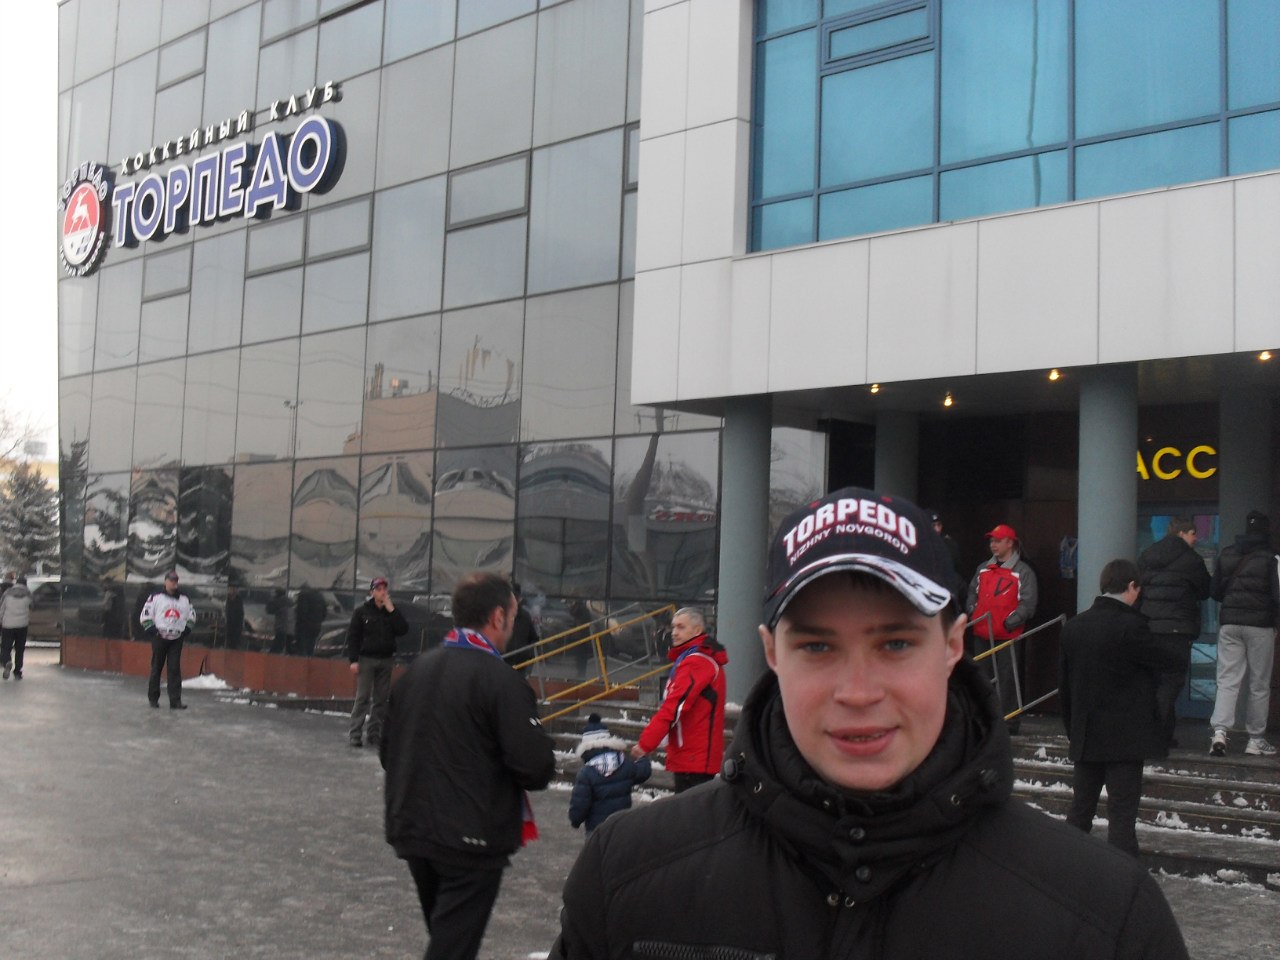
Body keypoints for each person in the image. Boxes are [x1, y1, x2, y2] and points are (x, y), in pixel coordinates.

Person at [552, 487, 1188, 960]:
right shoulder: (629, 877)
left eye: (896, 644)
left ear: (953, 645)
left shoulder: (1105, 916)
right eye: (817, 646)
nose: (858, 693)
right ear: (771, 652)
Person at [381, 572, 555, 960]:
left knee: (448, 940)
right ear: (498, 617)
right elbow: (535, 767)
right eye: (513, 616)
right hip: (470, 839)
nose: (513, 626)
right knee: (452, 948)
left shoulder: (416, 672)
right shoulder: (501, 680)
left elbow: (387, 751)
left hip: (413, 828)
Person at [1060, 559, 1182, 857]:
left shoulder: (1073, 627)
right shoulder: (1132, 627)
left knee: (1080, 810)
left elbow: (1065, 687)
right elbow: (1171, 661)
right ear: (1131, 587)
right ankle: (1123, 875)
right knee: (1122, 815)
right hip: (1126, 739)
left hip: (1086, 735)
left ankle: (1065, 867)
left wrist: (1073, 730)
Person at [630, 607, 728, 793]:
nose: (674, 632)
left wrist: (646, 743)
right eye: (673, 627)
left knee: (692, 810)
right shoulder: (692, 659)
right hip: (692, 756)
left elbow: (674, 707)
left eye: (681, 627)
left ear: (697, 630)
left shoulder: (696, 662)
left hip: (694, 759)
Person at [1208, 510, 1278, 757]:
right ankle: (1255, 739)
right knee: (1259, 684)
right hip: (1260, 626)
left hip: (1229, 624)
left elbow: (1215, 591)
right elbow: (1278, 595)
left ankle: (1219, 732)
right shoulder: (1272, 558)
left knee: (1227, 679)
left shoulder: (1227, 554)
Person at [1138, 517, 1211, 748]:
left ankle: (1164, 734)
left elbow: (1139, 589)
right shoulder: (1192, 559)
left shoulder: (1148, 555)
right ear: (1181, 533)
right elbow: (1205, 590)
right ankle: (1152, 734)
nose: (1195, 538)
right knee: (1171, 682)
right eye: (1192, 533)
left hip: (1150, 626)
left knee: (1156, 681)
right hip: (1178, 629)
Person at [966, 522, 1038, 729]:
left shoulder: (1023, 572)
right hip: (982, 632)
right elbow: (972, 593)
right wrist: (973, 612)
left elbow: (1028, 603)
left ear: (1010, 543)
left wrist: (1009, 623)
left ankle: (1009, 721)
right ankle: (984, 718)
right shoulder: (983, 569)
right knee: (982, 677)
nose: (993, 545)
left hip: (1007, 635)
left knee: (1007, 679)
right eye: (991, 541)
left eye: (997, 541)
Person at [347, 576, 408, 748]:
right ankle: (355, 733)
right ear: (372, 592)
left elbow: (403, 629)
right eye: (378, 589)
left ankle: (374, 733)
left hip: (386, 659)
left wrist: (391, 609)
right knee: (363, 697)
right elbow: (353, 636)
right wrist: (353, 660)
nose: (382, 592)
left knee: (381, 699)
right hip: (366, 659)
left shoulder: (391, 612)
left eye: (384, 589)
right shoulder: (362, 611)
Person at [568, 713, 651, 835]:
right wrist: (643, 758)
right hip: (621, 825)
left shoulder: (586, 774)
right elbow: (643, 772)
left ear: (586, 748)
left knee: (596, 848)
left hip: (597, 830)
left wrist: (575, 820)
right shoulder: (624, 764)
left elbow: (580, 804)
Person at [140, 571, 196, 709]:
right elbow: (145, 615)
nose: (174, 583)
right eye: (171, 580)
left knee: (174, 669)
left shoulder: (184, 598)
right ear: (165, 581)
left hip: (176, 638)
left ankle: (175, 701)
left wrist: (186, 630)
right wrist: (153, 631)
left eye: (175, 581)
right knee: (156, 668)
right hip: (159, 637)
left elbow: (192, 615)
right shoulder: (155, 597)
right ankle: (153, 699)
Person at [0, 575, 33, 680]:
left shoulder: (7, 593)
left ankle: (7, 662)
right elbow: (32, 606)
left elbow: (2, 608)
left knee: (5, 647)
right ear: (25, 584)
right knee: (19, 649)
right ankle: (18, 672)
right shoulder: (28, 594)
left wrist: (1, 620)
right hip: (22, 626)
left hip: (8, 625)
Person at [507, 581, 539, 662]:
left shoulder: (525, 616)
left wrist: (528, 654)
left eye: (515, 598)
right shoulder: (500, 616)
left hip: (521, 661)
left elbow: (533, 638)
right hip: (504, 660)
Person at [295, 585, 326, 657]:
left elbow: (302, 611)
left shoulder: (303, 596)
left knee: (302, 647)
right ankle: (309, 660)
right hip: (316, 625)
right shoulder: (321, 597)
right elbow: (324, 612)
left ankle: (302, 661)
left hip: (304, 625)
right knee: (311, 645)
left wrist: (302, 621)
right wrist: (318, 621)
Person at [930, 510, 963, 576]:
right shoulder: (921, 542)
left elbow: (957, 567)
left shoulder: (949, 543)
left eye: (939, 525)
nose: (937, 529)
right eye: (933, 525)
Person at [266, 587, 295, 654]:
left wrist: (272, 600)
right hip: (291, 628)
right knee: (288, 646)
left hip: (282, 627)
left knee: (277, 647)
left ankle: (272, 658)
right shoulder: (290, 601)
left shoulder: (278, 601)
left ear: (277, 593)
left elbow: (269, 610)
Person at [224, 583, 245, 650]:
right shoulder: (226, 598)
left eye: (235, 589)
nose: (233, 590)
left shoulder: (239, 599)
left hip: (237, 625)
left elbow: (241, 613)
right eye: (231, 588)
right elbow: (226, 610)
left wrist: (240, 624)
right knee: (229, 641)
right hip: (229, 624)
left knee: (235, 642)